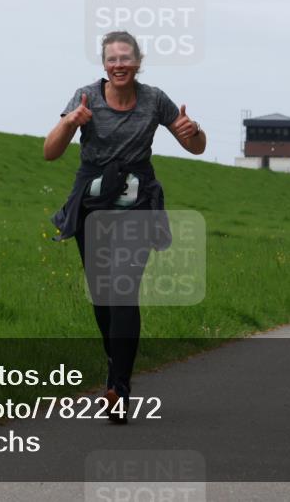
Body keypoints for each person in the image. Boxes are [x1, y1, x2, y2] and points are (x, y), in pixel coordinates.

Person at [45, 30, 206, 423]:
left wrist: (193, 132)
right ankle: (116, 365)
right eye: (112, 59)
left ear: (138, 62)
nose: (119, 65)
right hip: (92, 203)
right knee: (102, 295)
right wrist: (70, 122)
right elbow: (50, 152)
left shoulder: (154, 99)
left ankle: (119, 387)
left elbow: (196, 147)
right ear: (104, 64)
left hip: (137, 203)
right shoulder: (85, 96)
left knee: (123, 289)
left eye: (126, 58)